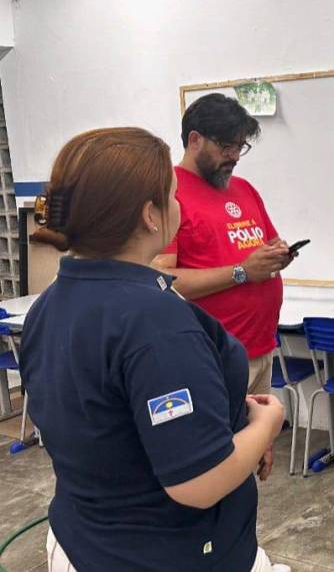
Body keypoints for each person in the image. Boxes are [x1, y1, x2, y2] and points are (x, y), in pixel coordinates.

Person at [19, 127, 290, 572]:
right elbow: (198, 482)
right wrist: (266, 424)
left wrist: (225, 415)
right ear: (150, 215)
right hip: (165, 552)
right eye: (172, 194)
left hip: (84, 540)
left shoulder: (50, 303)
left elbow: (108, 412)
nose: (179, 203)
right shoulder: (154, 321)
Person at [152, 93, 293, 397]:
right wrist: (242, 272)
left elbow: (268, 243)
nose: (235, 156)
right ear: (195, 140)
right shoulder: (169, 194)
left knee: (260, 428)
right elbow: (160, 281)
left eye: (240, 147)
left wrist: (277, 254)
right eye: (226, 146)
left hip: (262, 348)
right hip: (212, 358)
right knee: (228, 430)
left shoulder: (243, 189)